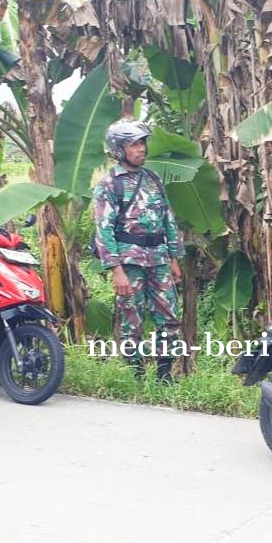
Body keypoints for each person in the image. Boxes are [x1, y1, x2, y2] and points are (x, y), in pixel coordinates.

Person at [92, 120, 184, 383]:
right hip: (129, 261)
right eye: (134, 144)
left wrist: (174, 257)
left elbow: (168, 218)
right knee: (132, 319)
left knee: (169, 317)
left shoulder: (153, 179)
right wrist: (116, 271)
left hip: (159, 259)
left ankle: (165, 376)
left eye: (143, 142)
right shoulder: (109, 185)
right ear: (119, 149)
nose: (141, 148)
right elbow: (104, 230)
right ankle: (137, 377)